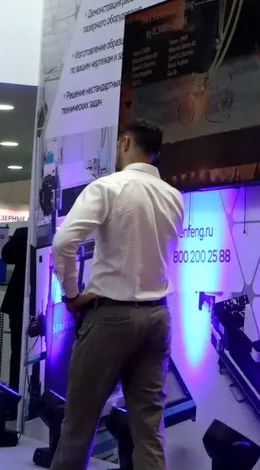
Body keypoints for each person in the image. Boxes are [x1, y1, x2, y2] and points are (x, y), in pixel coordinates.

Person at [50, 120, 185, 470]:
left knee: (79, 425)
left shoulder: (107, 187)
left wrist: (71, 295)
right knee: (149, 430)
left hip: (111, 318)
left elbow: (63, 243)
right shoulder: (173, 196)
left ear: (125, 143)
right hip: (157, 317)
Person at [1, 225, 29, 387]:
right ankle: (15, 390)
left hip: (32, 302)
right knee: (18, 352)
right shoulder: (24, 233)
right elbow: (7, 255)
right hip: (18, 304)